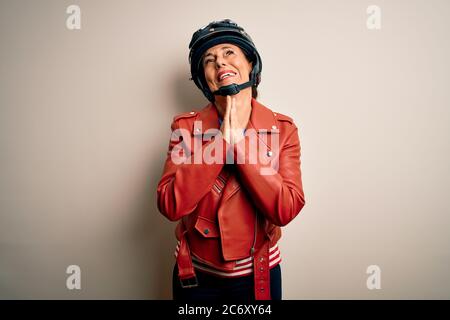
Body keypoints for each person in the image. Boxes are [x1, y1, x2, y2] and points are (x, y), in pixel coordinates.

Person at [156, 19, 305, 301]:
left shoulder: (284, 130)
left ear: (250, 63)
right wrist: (222, 140)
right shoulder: (184, 129)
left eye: (228, 53)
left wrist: (239, 142)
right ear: (204, 78)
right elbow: (170, 205)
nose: (220, 63)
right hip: (195, 277)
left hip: (260, 274)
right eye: (209, 60)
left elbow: (285, 210)